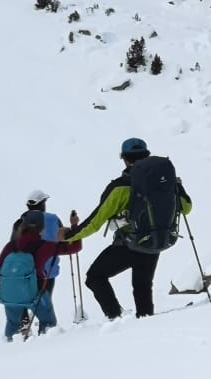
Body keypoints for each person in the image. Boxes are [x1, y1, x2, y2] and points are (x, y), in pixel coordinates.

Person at [61, 137, 192, 320]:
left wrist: (69, 236)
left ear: (124, 159)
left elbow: (95, 222)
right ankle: (144, 321)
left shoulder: (120, 187)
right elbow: (186, 208)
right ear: (147, 155)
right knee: (143, 286)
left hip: (129, 244)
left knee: (95, 277)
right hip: (156, 241)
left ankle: (116, 318)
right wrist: (178, 187)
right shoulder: (165, 182)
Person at [5, 190, 81, 330]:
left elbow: (12, 248)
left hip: (21, 273)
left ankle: (23, 330)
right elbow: (65, 242)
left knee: (21, 302)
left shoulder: (19, 223)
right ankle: (44, 336)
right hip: (47, 271)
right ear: (42, 204)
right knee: (43, 306)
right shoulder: (53, 219)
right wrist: (74, 226)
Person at [0, 210, 65, 340]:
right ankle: (47, 348)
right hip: (36, 293)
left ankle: (8, 349)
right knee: (48, 323)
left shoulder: (11, 246)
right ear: (42, 226)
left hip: (11, 295)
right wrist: (70, 230)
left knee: (13, 325)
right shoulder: (46, 245)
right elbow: (75, 247)